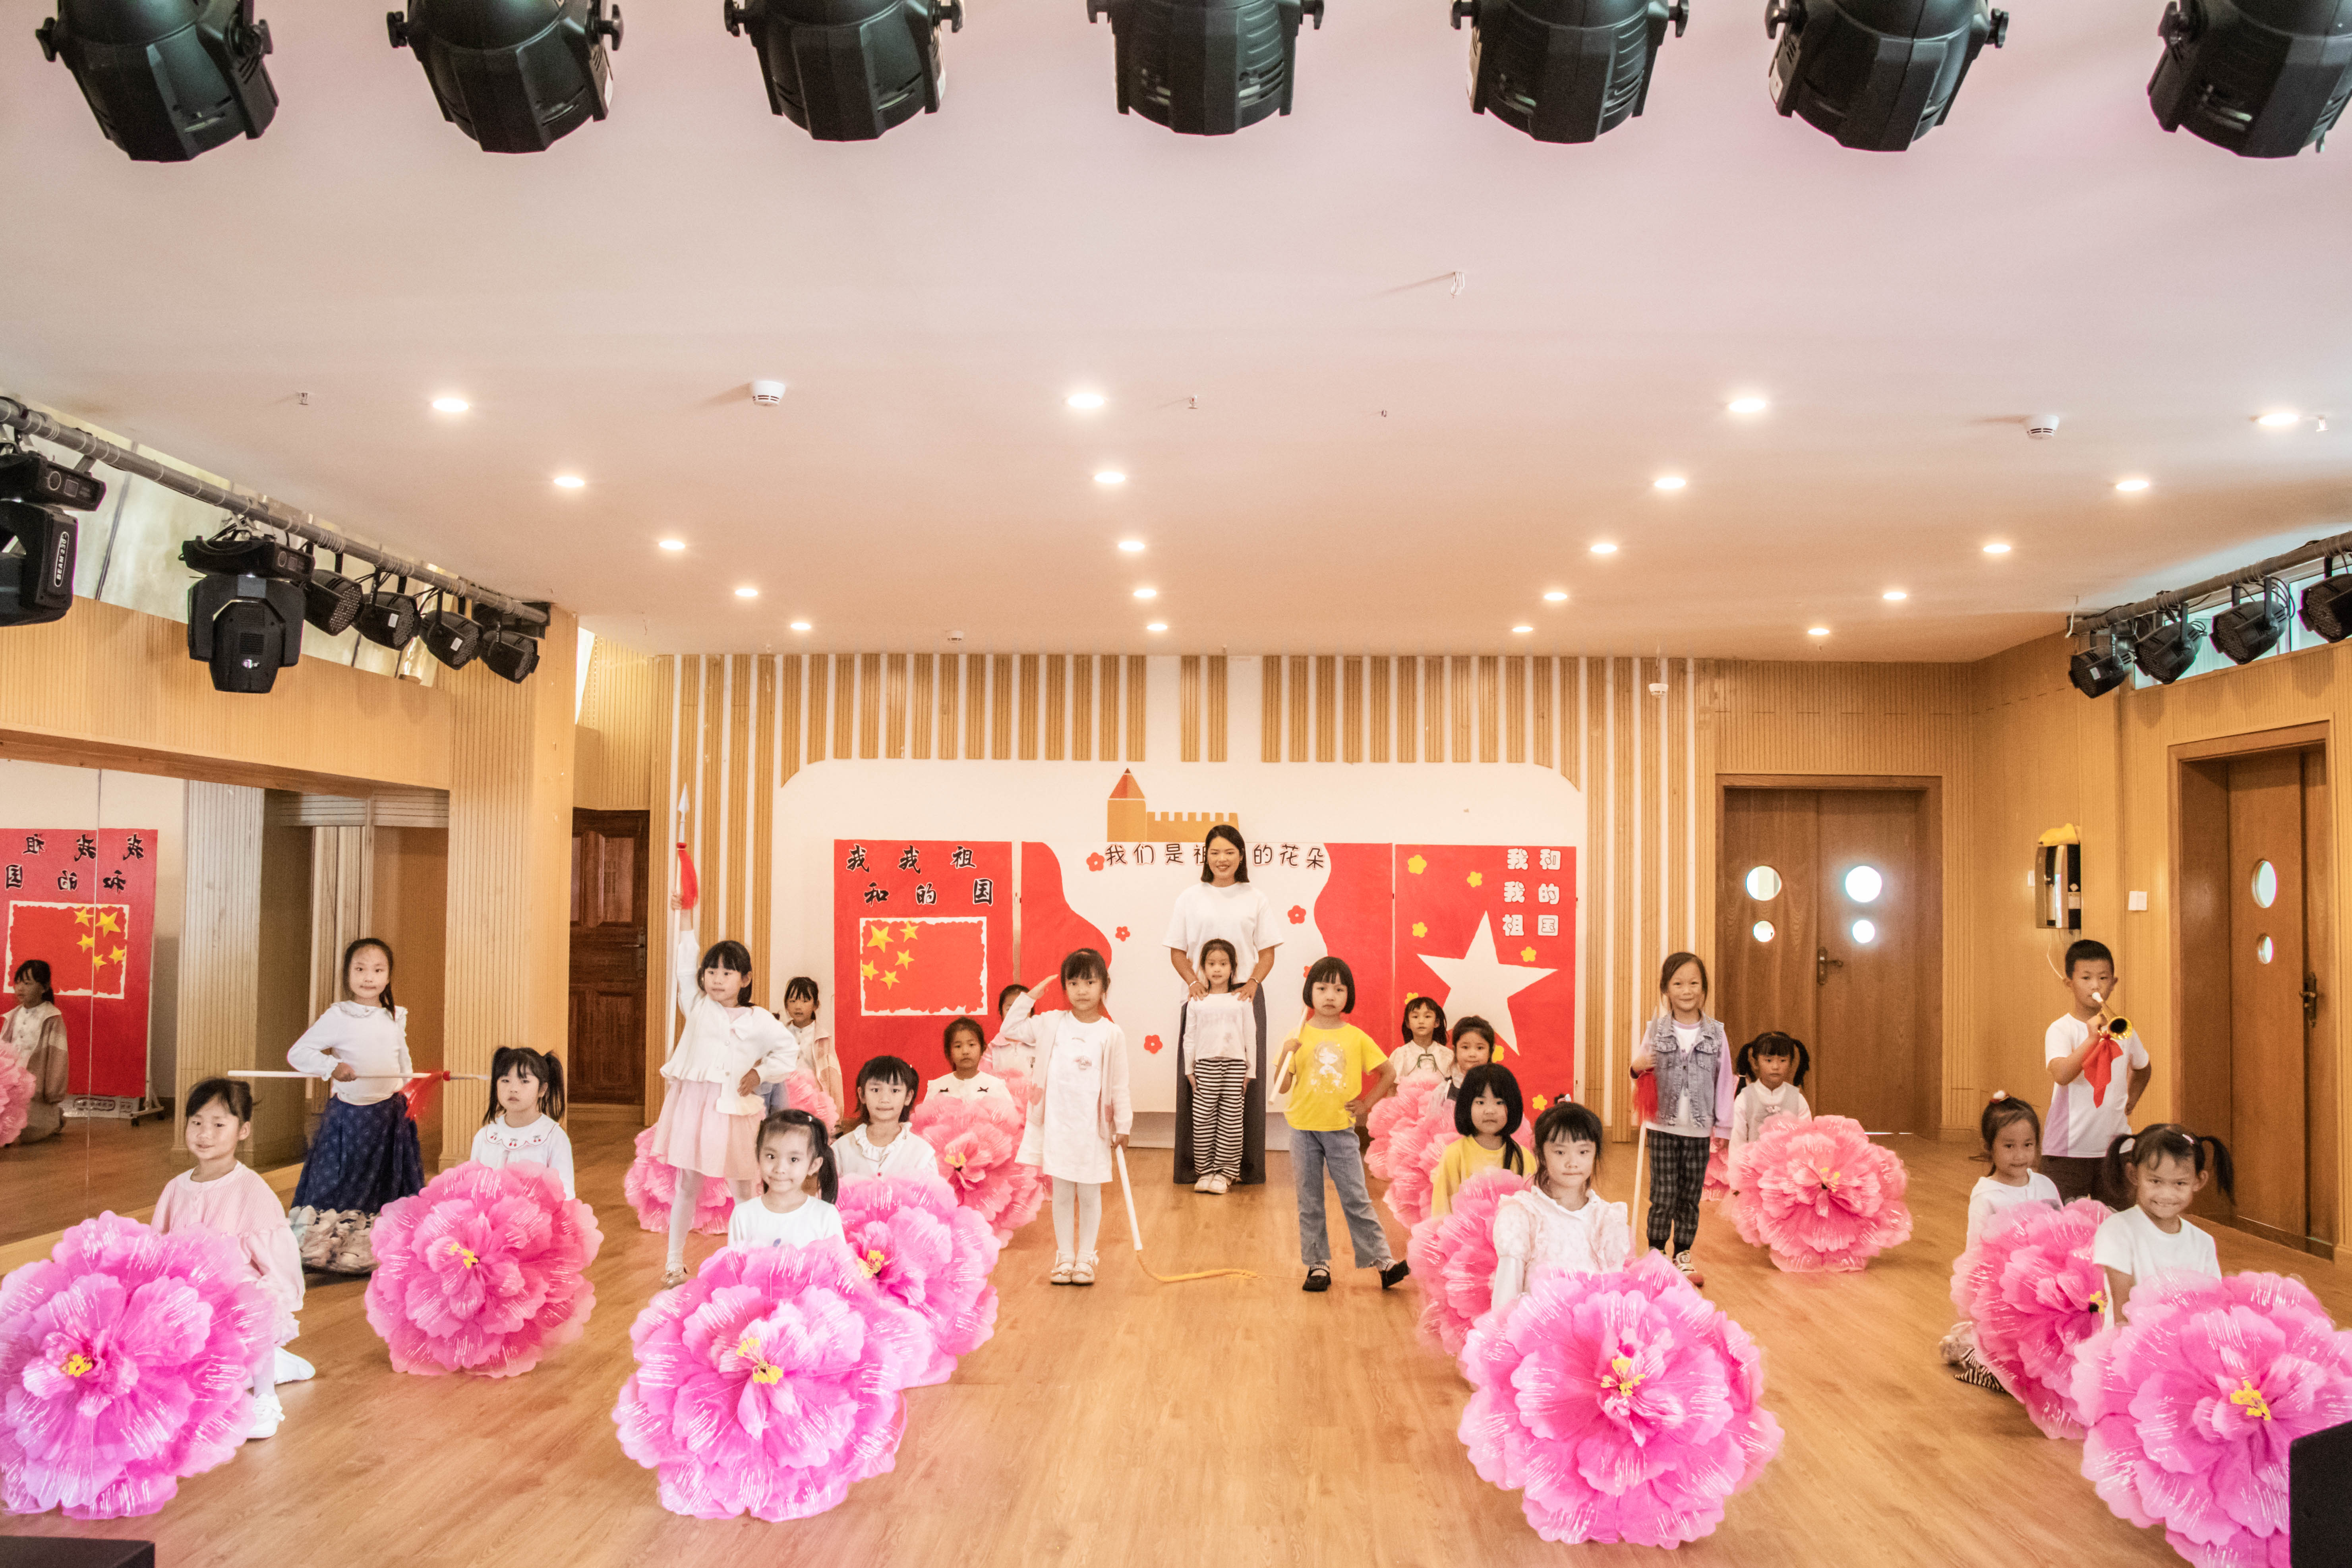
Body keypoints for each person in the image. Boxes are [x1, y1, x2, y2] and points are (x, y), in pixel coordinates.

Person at [152, 1078, 307, 1440]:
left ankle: (265, 1395)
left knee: (251, 1303)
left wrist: (277, 1301)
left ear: (243, 1130)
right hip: (189, 1296)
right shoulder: (176, 1187)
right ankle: (266, 1365)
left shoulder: (251, 1189)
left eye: (219, 1124)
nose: (205, 1133)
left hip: (236, 1294)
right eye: (197, 1122)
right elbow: (158, 1246)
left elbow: (277, 1258)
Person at [651, 922, 799, 1286]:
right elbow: (684, 970)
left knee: (744, 1189)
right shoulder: (697, 1006)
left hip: (736, 1112)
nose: (717, 979)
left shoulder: (760, 1020)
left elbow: (788, 1050)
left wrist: (760, 1073)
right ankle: (673, 1262)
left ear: (745, 979)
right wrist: (686, 920)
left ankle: (748, 1260)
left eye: (727, 972)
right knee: (688, 1184)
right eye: (711, 971)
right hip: (696, 1109)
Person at [1276, 956, 1409, 1294]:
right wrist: (1286, 1055)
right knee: (1310, 1200)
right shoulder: (1297, 1035)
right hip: (1303, 1129)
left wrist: (1366, 1104)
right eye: (1322, 988)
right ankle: (1317, 1264)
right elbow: (1282, 1087)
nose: (1330, 996)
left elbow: (1388, 1072)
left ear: (1348, 995)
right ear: (1310, 992)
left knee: (1356, 1198)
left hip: (1340, 1130)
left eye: (1339, 989)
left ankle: (1384, 1263)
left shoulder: (1356, 1037)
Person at [1001, 949, 1133, 1286]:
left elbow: (1119, 1084)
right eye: (1073, 983)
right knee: (1061, 1193)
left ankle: (1086, 1257)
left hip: (1093, 1130)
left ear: (1104, 985)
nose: (1082, 990)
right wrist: (1031, 996)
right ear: (1064, 988)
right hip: (1057, 1127)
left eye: (1090, 982)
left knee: (1089, 1194)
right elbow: (1010, 1027)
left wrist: (1124, 1125)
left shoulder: (1111, 1034)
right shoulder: (1051, 1023)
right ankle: (1064, 1257)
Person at [1164, 824, 1280, 1187]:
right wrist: (1194, 982)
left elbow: (1267, 953)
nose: (1222, 859)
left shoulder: (1256, 898)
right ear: (1206, 856)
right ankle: (1195, 1169)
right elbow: (1177, 952)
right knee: (1197, 1085)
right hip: (1201, 996)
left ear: (1241, 856)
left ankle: (1242, 1169)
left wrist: (1253, 983)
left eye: (1230, 852)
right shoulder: (1190, 897)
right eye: (1215, 852)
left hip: (1244, 997)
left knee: (1246, 1086)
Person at [287, 938, 424, 1243]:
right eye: (360, 969)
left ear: (388, 976)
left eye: (378, 970)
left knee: (389, 1180)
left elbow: (403, 1062)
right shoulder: (339, 1015)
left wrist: (408, 1089)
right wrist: (332, 1066)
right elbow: (298, 1053)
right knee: (340, 1178)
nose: (369, 977)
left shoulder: (394, 1016)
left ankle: (377, 1244)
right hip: (349, 1116)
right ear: (347, 973)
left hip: (389, 1115)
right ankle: (329, 1243)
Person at [1942, 1092, 2062, 1389]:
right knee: (2006, 1376)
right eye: (2009, 1146)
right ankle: (1968, 1348)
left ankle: (1970, 1339)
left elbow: (2061, 1235)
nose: (2020, 1155)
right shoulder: (1987, 1196)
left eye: (2028, 1145)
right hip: (2003, 1291)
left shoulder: (2046, 1186)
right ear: (1989, 1148)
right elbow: (1977, 1252)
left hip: (2043, 1290)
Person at [1628, 951, 1733, 1278]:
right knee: (1663, 1193)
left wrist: (1724, 1126)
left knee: (1689, 1196)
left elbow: (1724, 1080)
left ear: (1704, 988)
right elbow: (1639, 1069)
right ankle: (1656, 1252)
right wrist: (1636, 1067)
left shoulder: (1716, 1033)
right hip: (1662, 1126)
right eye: (1678, 984)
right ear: (1666, 989)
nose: (1687, 990)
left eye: (1694, 983)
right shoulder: (1656, 1029)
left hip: (1699, 1130)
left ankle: (1683, 1254)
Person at [1489, 1100, 1631, 1314]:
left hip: (1591, 1331)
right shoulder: (1523, 1215)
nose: (1573, 1162)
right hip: (1533, 1330)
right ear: (1541, 1154)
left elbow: (1614, 1295)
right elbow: (1505, 1301)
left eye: (1583, 1152)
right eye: (1560, 1152)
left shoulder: (1607, 1219)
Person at [2043, 939, 2151, 1207]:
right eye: (2086, 978)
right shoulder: (2061, 1029)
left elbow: (2143, 1068)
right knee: (2064, 1224)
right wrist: (2092, 1038)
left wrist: (2132, 1100)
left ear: (2113, 983)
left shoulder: (2123, 1029)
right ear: (2069, 983)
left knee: (2120, 1222)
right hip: (2068, 1151)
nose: (2095, 986)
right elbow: (2062, 1074)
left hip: (2117, 1150)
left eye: (2103, 978)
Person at [2093, 1123, 2230, 1326]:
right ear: (2134, 1175)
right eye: (2156, 1181)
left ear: (2198, 1181)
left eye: (2180, 1183)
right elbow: (2124, 1317)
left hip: (2187, 1342)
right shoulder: (2117, 1230)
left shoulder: (2204, 1242)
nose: (2166, 1195)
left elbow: (2211, 1305)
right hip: (2130, 1341)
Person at [1180, 938, 1254, 1195]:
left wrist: (1251, 1071)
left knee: (1231, 1122)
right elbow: (1189, 1037)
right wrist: (1189, 1069)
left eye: (1223, 963)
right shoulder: (1196, 1001)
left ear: (1233, 967)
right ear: (1203, 967)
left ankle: (1226, 1173)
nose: (1217, 969)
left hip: (1235, 1067)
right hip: (1204, 1066)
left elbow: (1251, 1037)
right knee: (1203, 1120)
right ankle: (1206, 1171)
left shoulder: (1242, 1000)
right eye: (1211, 963)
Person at [727, 1109, 845, 1251]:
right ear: (758, 1155)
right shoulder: (743, 1215)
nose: (780, 1169)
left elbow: (838, 1263)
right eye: (771, 1156)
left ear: (813, 1165)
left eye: (794, 1159)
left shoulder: (825, 1216)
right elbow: (733, 1263)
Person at [468, 1046, 575, 1198]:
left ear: (542, 1089)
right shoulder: (485, 1136)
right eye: (505, 1080)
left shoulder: (554, 1137)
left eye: (524, 1081)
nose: (513, 1089)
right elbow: (473, 1189)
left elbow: (565, 1193)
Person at [1431, 1063, 1530, 1218]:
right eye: (1481, 1102)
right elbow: (1441, 1210)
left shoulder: (1523, 1157)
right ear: (1467, 1106)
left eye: (1499, 1102)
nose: (1490, 1111)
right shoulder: (1455, 1154)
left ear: (1513, 1106)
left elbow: (1533, 1209)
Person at [833, 1055, 938, 1180]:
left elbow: (932, 1192)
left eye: (895, 1091)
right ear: (862, 1095)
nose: (884, 1099)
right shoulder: (840, 1149)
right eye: (876, 1090)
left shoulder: (922, 1153)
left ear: (908, 1097)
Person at [1727, 1031, 1811, 1181]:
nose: (1776, 1067)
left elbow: (1806, 1141)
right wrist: (1737, 1181)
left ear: (1791, 1063)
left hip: (1790, 1179)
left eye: (1783, 1060)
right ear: (1755, 1063)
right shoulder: (1745, 1098)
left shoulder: (1798, 1099)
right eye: (1769, 1060)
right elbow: (1737, 1143)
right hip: (1753, 1177)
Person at [4, 958, 68, 1145]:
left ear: (44, 988)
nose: (20, 989)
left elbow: (58, 1059)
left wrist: (52, 1092)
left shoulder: (52, 1017)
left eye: (28, 983)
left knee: (26, 1132)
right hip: (12, 1085)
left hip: (36, 1090)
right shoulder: (13, 1016)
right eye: (18, 983)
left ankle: (55, 1119)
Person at [767, 975, 839, 1115]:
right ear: (786, 1004)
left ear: (816, 1005)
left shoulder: (823, 1039)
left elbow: (833, 1078)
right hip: (785, 1101)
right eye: (793, 1001)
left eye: (805, 1001)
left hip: (814, 1103)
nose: (798, 1006)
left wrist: (836, 1115)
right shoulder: (780, 1035)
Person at [928, 1017, 1013, 1105]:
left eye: (971, 1045)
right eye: (958, 1046)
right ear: (949, 1052)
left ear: (982, 1049)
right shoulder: (937, 1087)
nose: (965, 1051)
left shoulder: (996, 1086)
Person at [1392, 995, 1451, 1085]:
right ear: (1408, 1023)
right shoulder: (1401, 1054)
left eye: (1427, 1017)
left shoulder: (1448, 1055)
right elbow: (1393, 1088)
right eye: (1415, 1017)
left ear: (1437, 1023)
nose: (1421, 1021)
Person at [985, 981, 1039, 1078]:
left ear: (1032, 1013)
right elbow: (984, 1076)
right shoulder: (994, 1046)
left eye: (1022, 1010)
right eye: (1010, 1010)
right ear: (1001, 1012)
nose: (1016, 1015)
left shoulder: (1038, 1044)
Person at [1441, 1017, 1496, 1103]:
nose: (1472, 1054)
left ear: (1491, 1051)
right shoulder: (1445, 1088)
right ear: (1455, 1050)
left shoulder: (1499, 1086)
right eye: (1465, 1047)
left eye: (1480, 1048)